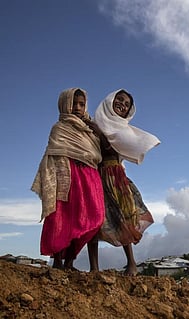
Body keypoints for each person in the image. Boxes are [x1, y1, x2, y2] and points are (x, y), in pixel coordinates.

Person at [31, 88, 105, 270]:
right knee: (62, 216)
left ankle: (71, 260)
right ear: (65, 104)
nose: (77, 108)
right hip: (67, 174)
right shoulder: (59, 128)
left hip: (90, 176)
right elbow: (54, 154)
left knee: (94, 216)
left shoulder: (90, 129)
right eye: (74, 103)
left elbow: (99, 151)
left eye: (81, 104)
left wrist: (95, 128)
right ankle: (58, 261)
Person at [89, 89, 160, 275]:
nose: (122, 104)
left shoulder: (122, 129)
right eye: (119, 100)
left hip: (116, 177)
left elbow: (110, 148)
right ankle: (94, 267)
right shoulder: (94, 123)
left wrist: (100, 134)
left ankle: (132, 264)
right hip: (95, 175)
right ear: (110, 101)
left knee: (124, 217)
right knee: (94, 220)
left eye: (127, 104)